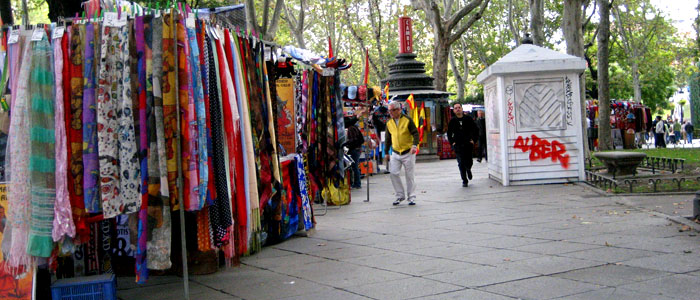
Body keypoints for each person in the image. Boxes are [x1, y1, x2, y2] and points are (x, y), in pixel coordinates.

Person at [384, 101, 420, 206]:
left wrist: (414, 146)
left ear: (399, 110)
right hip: (395, 152)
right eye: (389, 110)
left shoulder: (407, 120)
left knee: (409, 175)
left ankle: (411, 197)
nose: (391, 112)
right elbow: (387, 138)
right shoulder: (389, 122)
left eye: (393, 110)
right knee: (393, 173)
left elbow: (415, 133)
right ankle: (400, 195)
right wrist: (386, 152)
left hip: (408, 151)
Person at [447, 103, 479, 187]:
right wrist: (452, 142)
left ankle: (468, 169)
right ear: (453, 110)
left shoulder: (468, 119)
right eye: (455, 108)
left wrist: (473, 140)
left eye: (459, 107)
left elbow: (476, 130)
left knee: (469, 161)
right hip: (458, 145)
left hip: (468, 144)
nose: (457, 109)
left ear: (462, 109)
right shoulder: (452, 121)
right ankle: (464, 179)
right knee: (460, 162)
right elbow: (449, 133)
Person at [344, 116, 364, 189]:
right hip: (356, 149)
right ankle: (356, 183)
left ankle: (357, 183)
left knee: (354, 167)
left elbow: (352, 140)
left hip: (354, 150)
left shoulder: (351, 129)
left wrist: (346, 145)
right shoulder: (354, 127)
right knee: (355, 167)